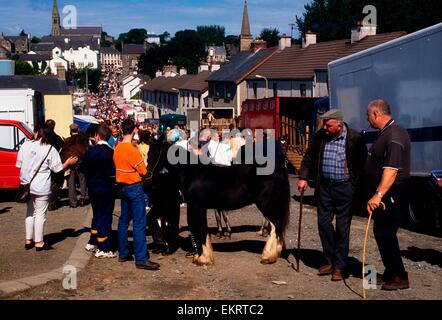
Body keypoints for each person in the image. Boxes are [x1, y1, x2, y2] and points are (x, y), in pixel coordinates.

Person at [298, 109, 367, 281]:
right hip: (325, 187)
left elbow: (362, 165)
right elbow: (309, 156)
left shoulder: (354, 139)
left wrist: (354, 186)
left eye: (328, 125)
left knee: (343, 228)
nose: (325, 128)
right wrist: (303, 177)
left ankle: (340, 266)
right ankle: (329, 260)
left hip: (345, 188)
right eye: (324, 125)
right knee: (323, 223)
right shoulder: (320, 136)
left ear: (339, 124)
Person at [363, 99, 411, 290]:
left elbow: (391, 170)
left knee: (385, 233)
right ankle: (391, 272)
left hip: (392, 193)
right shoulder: (387, 132)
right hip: (387, 193)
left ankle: (400, 276)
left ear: (376, 114)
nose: (367, 119)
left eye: (368, 115)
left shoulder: (394, 135)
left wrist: (378, 194)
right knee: (382, 232)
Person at [16, 124, 78, 251]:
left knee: (29, 211)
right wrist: (68, 162)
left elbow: (19, 164)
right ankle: (39, 242)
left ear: (37, 133)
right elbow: (58, 169)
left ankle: (28, 240)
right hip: (41, 185)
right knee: (40, 214)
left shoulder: (26, 145)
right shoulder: (50, 149)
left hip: (26, 184)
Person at [114, 119, 160, 271]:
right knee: (139, 223)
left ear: (122, 130)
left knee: (123, 221)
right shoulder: (132, 150)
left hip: (122, 187)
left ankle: (123, 253)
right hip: (134, 187)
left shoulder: (117, 148)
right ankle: (141, 258)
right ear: (134, 130)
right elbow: (144, 171)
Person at [81, 125, 117, 259]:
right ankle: (104, 246)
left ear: (97, 136)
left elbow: (83, 170)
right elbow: (113, 175)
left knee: (96, 215)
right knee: (105, 216)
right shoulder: (111, 152)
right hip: (106, 188)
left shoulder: (90, 151)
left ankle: (93, 241)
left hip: (93, 187)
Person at [66, 123, 89, 208]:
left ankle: (73, 202)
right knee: (82, 180)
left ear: (70, 130)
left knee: (71, 182)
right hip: (81, 162)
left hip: (71, 162)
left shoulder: (68, 140)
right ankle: (83, 198)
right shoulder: (82, 139)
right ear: (78, 129)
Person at [45, 119, 65, 212]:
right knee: (54, 184)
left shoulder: (43, 138)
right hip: (54, 163)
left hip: (43, 165)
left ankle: (47, 202)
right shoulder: (57, 138)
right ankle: (51, 203)